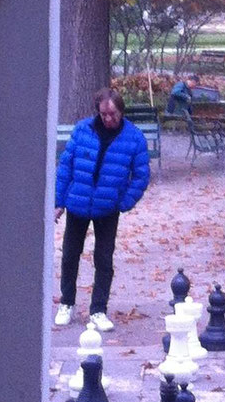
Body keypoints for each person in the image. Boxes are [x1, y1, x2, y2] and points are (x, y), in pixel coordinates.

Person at [53, 87, 151, 330]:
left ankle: (98, 309)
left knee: (104, 259)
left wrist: (124, 201)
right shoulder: (82, 130)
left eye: (113, 114)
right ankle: (67, 302)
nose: (108, 119)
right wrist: (58, 202)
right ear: (98, 111)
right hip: (78, 202)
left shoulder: (134, 138)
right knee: (69, 255)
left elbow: (140, 176)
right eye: (104, 114)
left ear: (121, 112)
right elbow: (65, 167)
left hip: (108, 208)